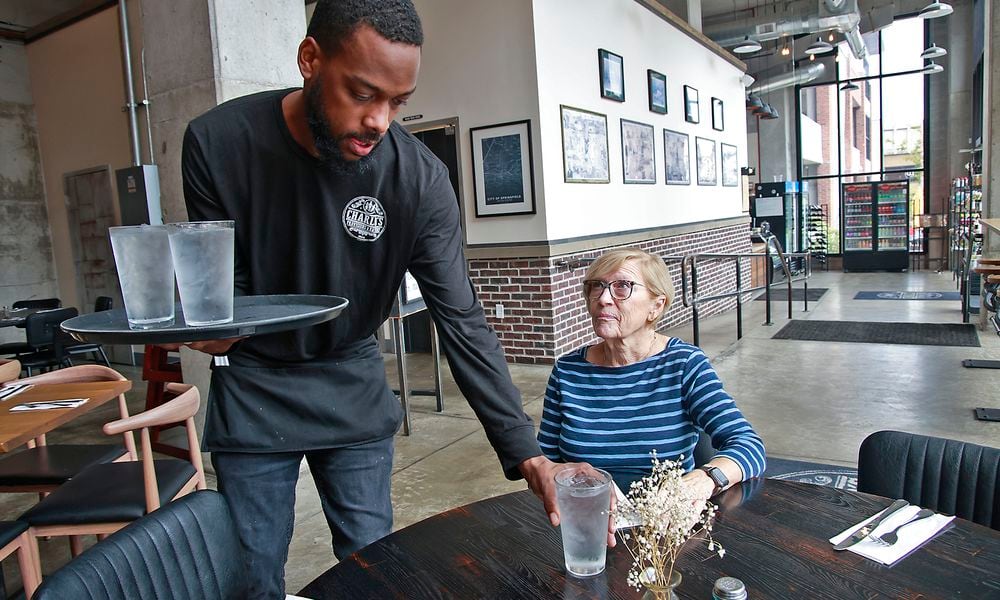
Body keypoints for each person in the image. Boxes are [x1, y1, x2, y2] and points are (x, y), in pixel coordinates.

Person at [176, 1, 572, 597]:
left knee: (373, 565)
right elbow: (217, 294)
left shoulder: (417, 179)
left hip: (353, 378)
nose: (380, 120)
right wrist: (209, 323)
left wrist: (526, 451)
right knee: (251, 574)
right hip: (257, 382)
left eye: (398, 102)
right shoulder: (218, 142)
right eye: (362, 94)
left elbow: (461, 319)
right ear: (311, 59)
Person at [537, 248, 766, 500]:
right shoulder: (567, 371)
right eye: (596, 286)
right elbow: (543, 464)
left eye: (622, 286)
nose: (602, 298)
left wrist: (704, 480)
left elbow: (748, 446)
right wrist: (567, 477)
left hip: (664, 526)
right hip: (587, 520)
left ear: (656, 306)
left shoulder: (684, 364)